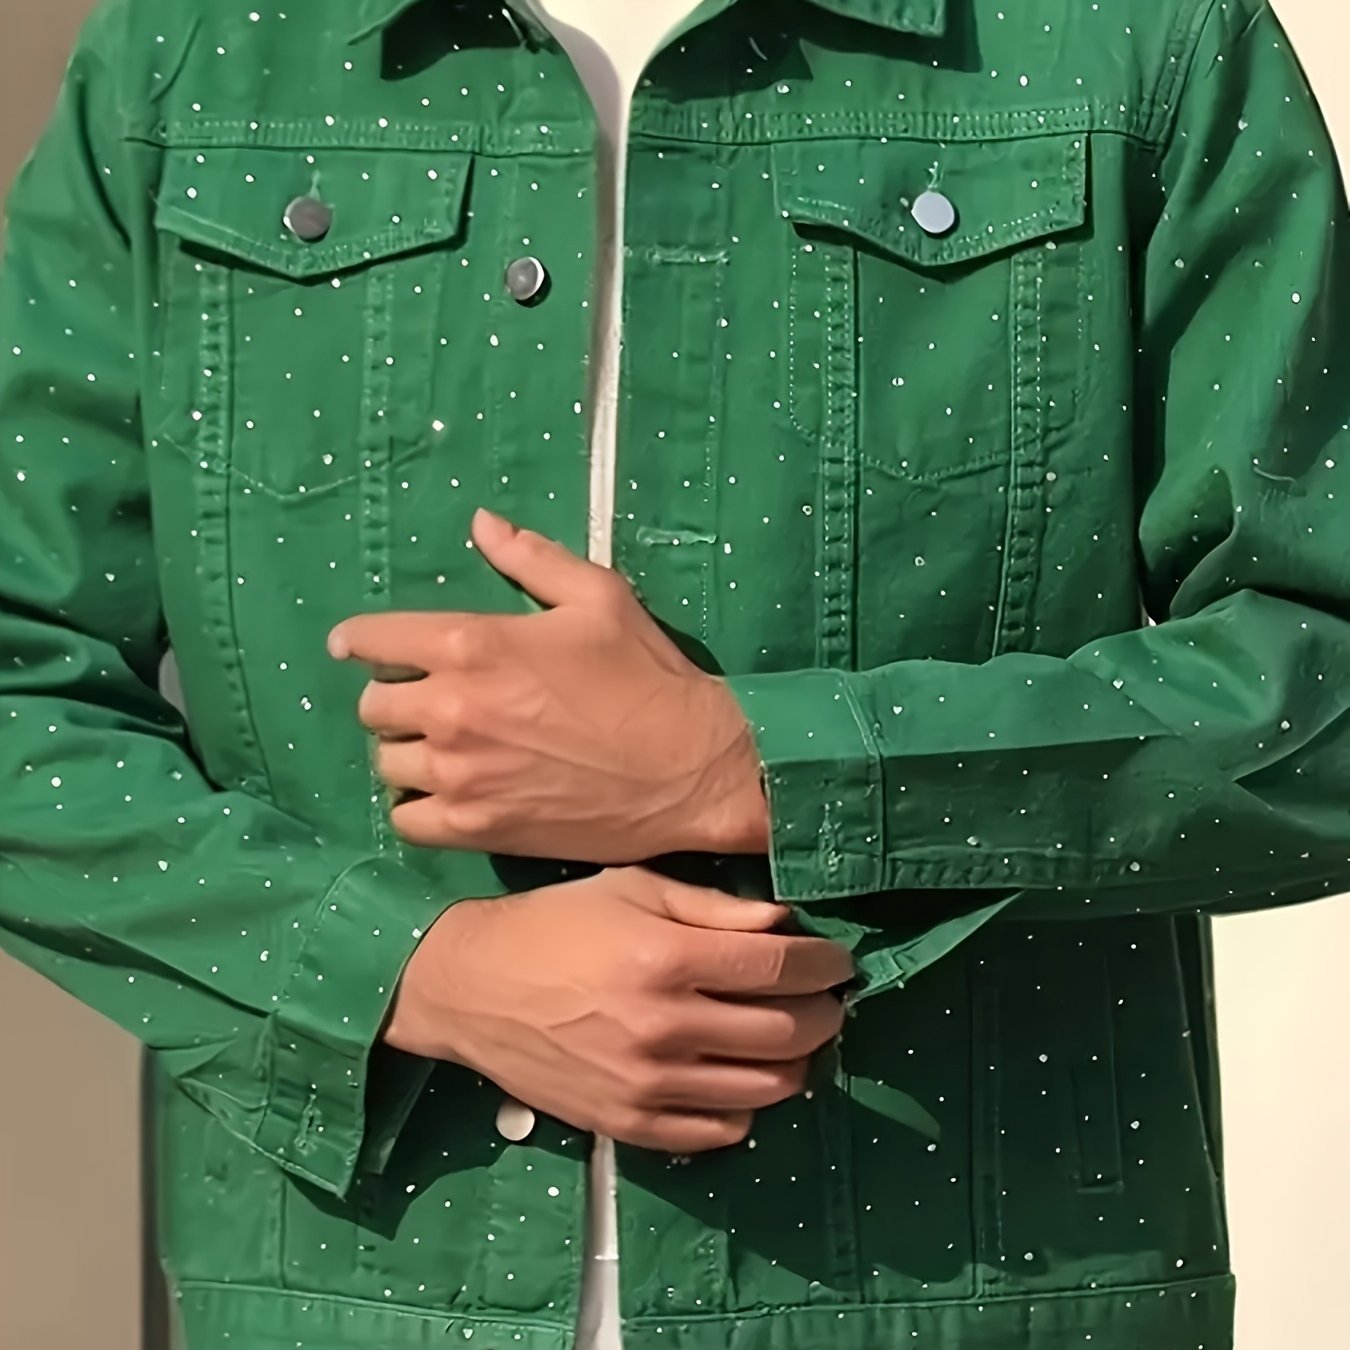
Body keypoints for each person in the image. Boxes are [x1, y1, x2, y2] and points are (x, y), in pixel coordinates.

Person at [2, 0, 1348, 1348]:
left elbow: (1322, 682)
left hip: (972, 1297)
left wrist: (750, 765)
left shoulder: (1134, 37)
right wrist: (415, 972)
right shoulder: (194, 51)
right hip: (344, 1306)